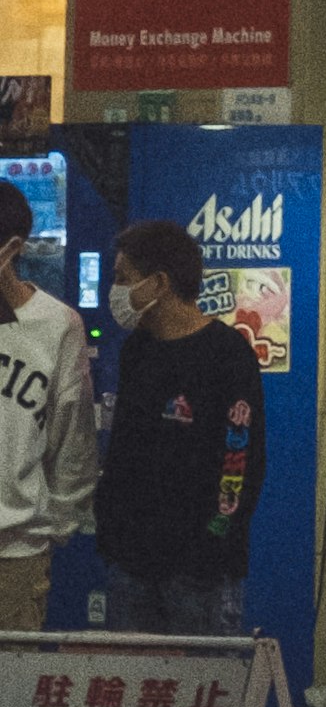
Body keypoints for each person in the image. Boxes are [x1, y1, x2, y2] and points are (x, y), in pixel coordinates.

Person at [91, 221, 265, 637]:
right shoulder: (138, 349)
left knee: (196, 699)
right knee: (130, 694)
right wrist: (110, 530)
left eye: (122, 279)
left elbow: (240, 462)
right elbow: (126, 450)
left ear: (159, 283)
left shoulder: (227, 353)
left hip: (199, 576)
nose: (114, 291)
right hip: (132, 566)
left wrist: (213, 542)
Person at [0, 202, 98, 634]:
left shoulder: (57, 325)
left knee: (13, 694)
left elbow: (72, 439)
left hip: (16, 551)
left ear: (12, 249)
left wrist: (50, 531)